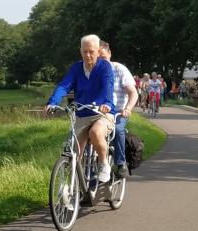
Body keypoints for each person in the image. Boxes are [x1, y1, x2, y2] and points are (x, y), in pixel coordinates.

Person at [44, 34, 115, 183]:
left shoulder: (105, 67)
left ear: (98, 51)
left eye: (91, 51)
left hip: (102, 113)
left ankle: (103, 164)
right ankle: (74, 186)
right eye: (84, 52)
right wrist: (52, 102)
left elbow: (108, 86)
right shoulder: (76, 68)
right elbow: (64, 85)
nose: (88, 55)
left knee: (95, 132)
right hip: (82, 114)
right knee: (74, 150)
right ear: (80, 51)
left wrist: (107, 103)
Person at [99, 41, 138, 178]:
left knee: (117, 129)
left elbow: (133, 93)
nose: (100, 61)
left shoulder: (119, 69)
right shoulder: (93, 71)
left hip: (118, 112)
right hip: (99, 113)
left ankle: (121, 163)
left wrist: (128, 108)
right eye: (97, 58)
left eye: (103, 57)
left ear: (109, 54)